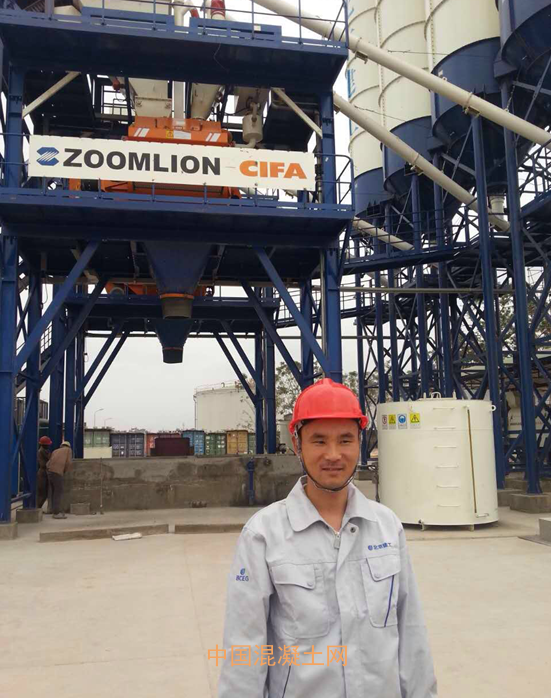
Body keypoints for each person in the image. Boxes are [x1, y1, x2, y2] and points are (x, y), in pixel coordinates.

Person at [217, 378, 437, 698]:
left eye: (345, 440)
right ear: (297, 445)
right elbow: (244, 649)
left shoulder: (387, 526)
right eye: (319, 441)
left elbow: (411, 631)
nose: (333, 455)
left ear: (359, 442)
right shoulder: (263, 535)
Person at [47, 440, 73, 520]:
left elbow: (48, 463)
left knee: (52, 492)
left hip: (50, 472)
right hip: (57, 473)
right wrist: (64, 471)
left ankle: (51, 510)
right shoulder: (68, 450)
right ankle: (56, 513)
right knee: (58, 493)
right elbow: (68, 462)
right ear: (68, 446)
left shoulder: (55, 451)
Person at [37, 436, 52, 510]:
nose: (48, 446)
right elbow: (50, 459)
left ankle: (38, 507)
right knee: (42, 492)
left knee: (44, 492)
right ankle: (37, 507)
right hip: (43, 472)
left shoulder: (44, 450)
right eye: (48, 444)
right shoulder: (42, 451)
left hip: (44, 472)